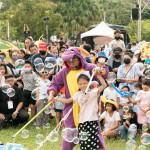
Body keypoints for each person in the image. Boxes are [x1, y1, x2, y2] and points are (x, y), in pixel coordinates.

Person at [48, 47, 107, 150]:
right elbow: (55, 83)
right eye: (68, 62)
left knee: (95, 139)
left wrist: (99, 70)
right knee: (68, 138)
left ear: (79, 58)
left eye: (73, 61)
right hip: (71, 110)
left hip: (89, 110)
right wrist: (52, 93)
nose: (71, 64)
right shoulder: (64, 72)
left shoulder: (89, 67)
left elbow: (104, 73)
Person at [55, 71, 106, 150]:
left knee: (92, 145)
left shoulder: (94, 92)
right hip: (82, 122)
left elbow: (104, 85)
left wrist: (98, 75)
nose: (82, 85)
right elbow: (68, 100)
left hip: (92, 121)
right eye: (80, 84)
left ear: (89, 82)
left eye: (85, 83)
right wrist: (56, 99)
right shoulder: (78, 94)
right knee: (83, 144)